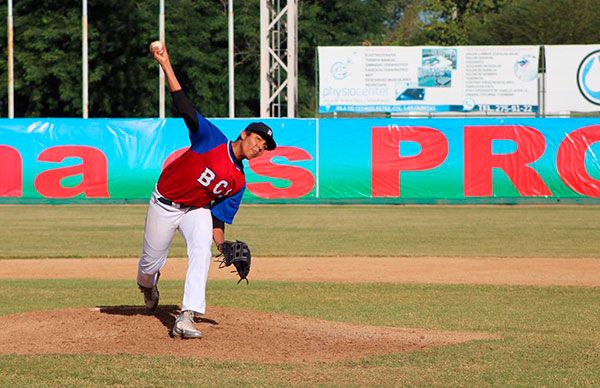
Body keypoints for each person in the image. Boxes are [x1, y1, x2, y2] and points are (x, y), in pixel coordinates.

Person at [137, 42, 276, 339]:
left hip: (195, 209)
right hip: (164, 203)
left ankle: (186, 316)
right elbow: (184, 106)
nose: (259, 147)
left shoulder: (239, 182)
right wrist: (165, 63)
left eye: (264, 148)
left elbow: (217, 218)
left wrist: (222, 246)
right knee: (150, 264)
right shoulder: (211, 138)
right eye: (257, 140)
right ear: (244, 134)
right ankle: (147, 285)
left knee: (200, 249)